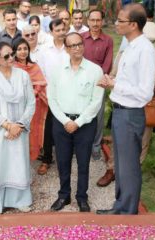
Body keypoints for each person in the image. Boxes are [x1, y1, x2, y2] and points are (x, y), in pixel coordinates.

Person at [96, 3, 155, 215]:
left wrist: (114, 85)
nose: (116, 24)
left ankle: (128, 211)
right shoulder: (130, 46)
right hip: (121, 111)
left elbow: (145, 92)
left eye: (120, 20)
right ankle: (120, 206)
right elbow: (129, 81)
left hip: (131, 114)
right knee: (121, 165)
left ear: (133, 25)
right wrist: (112, 80)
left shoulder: (145, 50)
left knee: (129, 165)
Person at [96, 18, 155, 187]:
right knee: (117, 138)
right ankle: (111, 170)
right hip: (125, 103)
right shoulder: (124, 53)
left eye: (152, 41)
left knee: (143, 139)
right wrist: (108, 80)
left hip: (146, 104)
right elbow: (113, 74)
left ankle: (133, 171)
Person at [48, 32, 104, 212]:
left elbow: (96, 102)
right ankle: (64, 195)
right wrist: (66, 121)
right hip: (61, 122)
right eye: (72, 45)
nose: (77, 48)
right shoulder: (56, 70)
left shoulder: (95, 70)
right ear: (66, 48)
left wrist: (78, 122)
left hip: (85, 124)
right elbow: (52, 99)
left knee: (83, 163)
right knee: (63, 162)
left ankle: (82, 197)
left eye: (79, 44)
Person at [0, 42, 35, 215]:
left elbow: (30, 102)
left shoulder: (23, 75)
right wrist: (7, 125)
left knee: (18, 163)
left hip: (19, 129)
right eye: (6, 56)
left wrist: (19, 125)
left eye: (12, 54)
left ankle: (20, 200)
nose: (11, 58)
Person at [36, 19, 68, 175]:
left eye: (63, 29)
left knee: (66, 127)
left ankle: (65, 159)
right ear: (51, 32)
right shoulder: (44, 50)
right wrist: (47, 94)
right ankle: (47, 159)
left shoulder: (70, 48)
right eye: (58, 30)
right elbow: (41, 73)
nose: (61, 32)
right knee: (48, 129)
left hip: (69, 94)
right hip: (50, 96)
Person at [82, 9, 113, 162]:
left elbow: (107, 65)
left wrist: (97, 81)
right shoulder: (81, 38)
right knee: (81, 113)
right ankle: (81, 145)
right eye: (92, 20)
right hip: (80, 84)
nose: (95, 23)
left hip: (98, 85)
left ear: (102, 22)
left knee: (98, 116)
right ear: (87, 21)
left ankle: (95, 146)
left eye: (98, 20)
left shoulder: (108, 40)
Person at [13, 39, 48, 161]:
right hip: (16, 106)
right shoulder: (11, 67)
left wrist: (34, 92)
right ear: (14, 51)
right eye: (19, 49)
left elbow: (41, 83)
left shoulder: (34, 66)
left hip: (34, 105)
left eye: (25, 49)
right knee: (18, 134)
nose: (23, 52)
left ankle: (30, 160)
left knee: (32, 132)